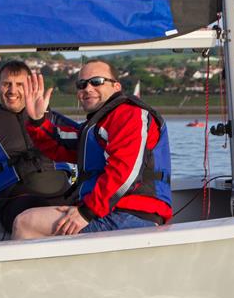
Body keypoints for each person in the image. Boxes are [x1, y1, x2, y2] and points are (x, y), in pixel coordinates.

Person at [12, 60, 172, 239]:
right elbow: (61, 145)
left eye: (96, 81)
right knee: (32, 216)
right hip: (106, 211)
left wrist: (86, 213)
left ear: (116, 86)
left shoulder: (130, 114)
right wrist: (37, 121)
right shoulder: (99, 125)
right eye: (82, 84)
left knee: (25, 223)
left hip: (132, 215)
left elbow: (125, 173)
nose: (87, 88)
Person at [0, 60, 73, 233]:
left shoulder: (47, 115)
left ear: (30, 87)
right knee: (37, 221)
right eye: (6, 84)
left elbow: (88, 138)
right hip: (18, 199)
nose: (12, 91)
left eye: (19, 85)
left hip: (63, 193)